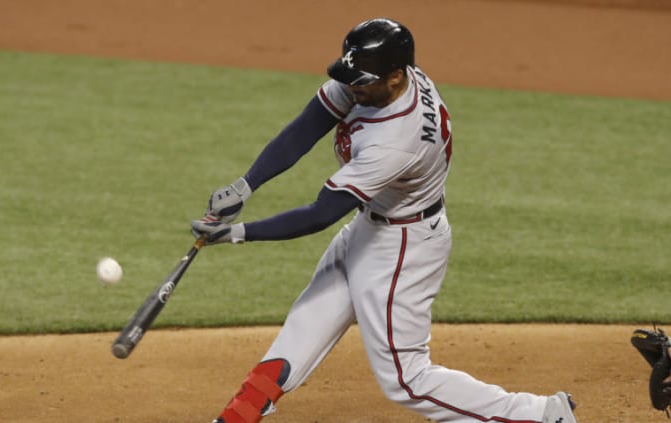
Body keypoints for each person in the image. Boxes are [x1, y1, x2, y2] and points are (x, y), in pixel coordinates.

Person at [191, 17, 579, 423]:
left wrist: (237, 233)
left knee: (406, 379)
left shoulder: (397, 140)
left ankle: (541, 415)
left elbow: (320, 213)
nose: (352, 87)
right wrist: (246, 185)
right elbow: (309, 125)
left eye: (362, 81)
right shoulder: (381, 79)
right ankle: (236, 417)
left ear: (396, 77)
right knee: (303, 330)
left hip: (403, 247)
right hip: (369, 227)